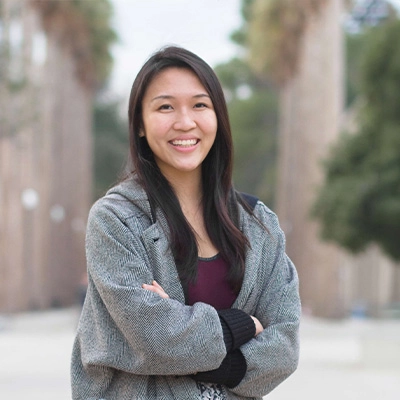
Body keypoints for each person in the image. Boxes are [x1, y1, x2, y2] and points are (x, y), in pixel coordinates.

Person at [71, 46, 301, 400]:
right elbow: (155, 338)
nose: (184, 122)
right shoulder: (115, 220)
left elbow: (284, 346)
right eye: (165, 106)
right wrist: (244, 326)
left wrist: (184, 330)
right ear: (140, 126)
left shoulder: (258, 224)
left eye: (199, 105)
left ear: (217, 117)